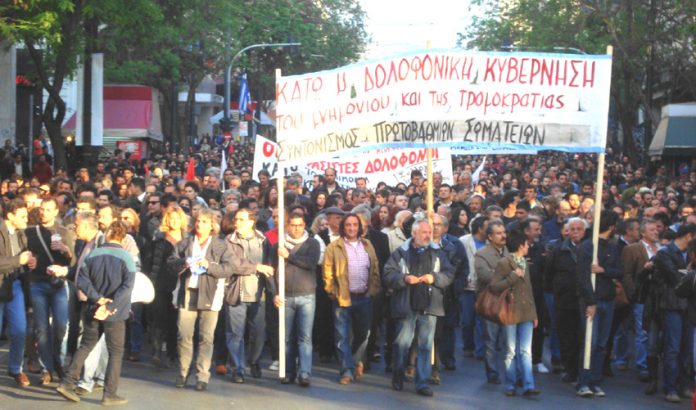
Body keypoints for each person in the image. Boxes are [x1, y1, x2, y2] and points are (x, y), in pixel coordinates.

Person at [56, 220, 135, 406]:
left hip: (92, 307)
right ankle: (109, 394)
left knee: (86, 345)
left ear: (107, 234)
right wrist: (110, 305)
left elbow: (81, 281)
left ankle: (67, 383)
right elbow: (127, 286)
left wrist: (98, 299)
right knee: (116, 352)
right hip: (115, 313)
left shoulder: (92, 254)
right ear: (123, 238)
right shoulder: (127, 258)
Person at [384, 218, 454, 397]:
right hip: (406, 305)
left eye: (429, 232)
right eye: (424, 232)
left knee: (425, 346)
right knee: (402, 343)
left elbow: (449, 273)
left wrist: (435, 278)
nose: (428, 235)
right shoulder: (401, 252)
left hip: (429, 305)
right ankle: (398, 376)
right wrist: (404, 279)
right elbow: (388, 273)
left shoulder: (438, 253)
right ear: (414, 233)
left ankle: (422, 382)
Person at [169, 208, 234, 391]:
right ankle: (182, 372)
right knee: (184, 335)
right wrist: (184, 262)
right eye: (198, 221)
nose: (200, 224)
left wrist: (209, 266)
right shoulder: (184, 243)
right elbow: (171, 264)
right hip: (188, 292)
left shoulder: (220, 245)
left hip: (210, 294)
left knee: (207, 337)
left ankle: (202, 375)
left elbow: (228, 269)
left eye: (204, 222)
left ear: (212, 225)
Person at [323, 213, 381, 385]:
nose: (351, 228)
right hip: (343, 298)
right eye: (348, 225)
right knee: (342, 336)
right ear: (343, 227)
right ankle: (346, 370)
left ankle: (356, 361)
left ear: (360, 227)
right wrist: (332, 292)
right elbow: (327, 273)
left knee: (364, 335)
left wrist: (373, 289)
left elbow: (375, 267)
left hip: (364, 297)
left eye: (355, 225)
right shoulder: (334, 247)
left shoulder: (367, 244)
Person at [25, 197, 75, 384]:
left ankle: (58, 362)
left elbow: (73, 261)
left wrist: (64, 249)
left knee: (62, 325)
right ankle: (47, 368)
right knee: (41, 328)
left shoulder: (63, 231)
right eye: (42, 209)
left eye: (48, 209)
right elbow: (24, 254)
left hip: (58, 284)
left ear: (56, 211)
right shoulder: (31, 231)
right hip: (37, 283)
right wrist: (30, 260)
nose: (44, 212)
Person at [224, 208, 275, 383]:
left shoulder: (263, 240)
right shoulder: (229, 241)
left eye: (241, 219)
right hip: (236, 292)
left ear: (251, 222)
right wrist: (257, 267)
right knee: (235, 333)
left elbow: (270, 264)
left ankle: (254, 361)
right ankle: (238, 368)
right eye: (236, 219)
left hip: (259, 293)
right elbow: (234, 265)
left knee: (258, 332)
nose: (236, 222)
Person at [273, 212, 321, 387]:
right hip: (286, 296)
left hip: (307, 296)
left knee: (305, 337)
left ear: (304, 225)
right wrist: (275, 293)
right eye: (293, 225)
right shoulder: (279, 245)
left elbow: (310, 263)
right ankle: (288, 371)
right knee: (286, 337)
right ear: (288, 226)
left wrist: (289, 256)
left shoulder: (312, 243)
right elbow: (273, 271)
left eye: (299, 225)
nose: (296, 228)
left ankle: (304, 373)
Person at [576, 212, 621, 398]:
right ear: (611, 227)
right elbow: (583, 277)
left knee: (602, 344)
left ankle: (595, 381)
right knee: (590, 344)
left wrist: (604, 270)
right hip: (592, 301)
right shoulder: (588, 247)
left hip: (608, 301)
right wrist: (590, 302)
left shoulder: (612, 247)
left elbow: (620, 270)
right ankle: (583, 382)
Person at [489, 229, 539, 397]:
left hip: (525, 312)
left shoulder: (525, 262)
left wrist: (534, 314)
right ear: (520, 245)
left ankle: (528, 385)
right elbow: (494, 286)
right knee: (511, 350)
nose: (528, 246)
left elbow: (529, 290)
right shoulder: (504, 263)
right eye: (526, 244)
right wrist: (512, 276)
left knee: (526, 350)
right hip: (510, 311)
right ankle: (510, 384)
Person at [650, 223, 696, 403]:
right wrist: (689, 274)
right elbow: (675, 278)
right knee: (673, 348)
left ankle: (683, 385)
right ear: (689, 236)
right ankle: (670, 387)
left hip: (689, 306)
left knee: (687, 349)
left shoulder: (689, 254)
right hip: (671, 305)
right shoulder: (665, 253)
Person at [0, 199, 37, 387]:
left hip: (15, 285)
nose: (26, 219)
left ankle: (15, 368)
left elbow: (24, 258)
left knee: (20, 330)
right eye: (22, 216)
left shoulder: (22, 233)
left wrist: (31, 262)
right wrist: (17, 261)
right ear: (10, 215)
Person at [149, 205, 187, 368]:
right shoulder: (159, 238)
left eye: (177, 218)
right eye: (171, 218)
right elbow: (152, 261)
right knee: (159, 318)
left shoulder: (188, 239)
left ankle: (173, 353)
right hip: (161, 282)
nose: (173, 221)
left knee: (175, 320)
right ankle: (157, 352)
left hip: (180, 282)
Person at [474, 220, 508, 384]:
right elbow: (486, 277)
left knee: (510, 341)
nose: (503, 236)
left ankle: (511, 372)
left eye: (504, 232)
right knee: (491, 340)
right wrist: (509, 275)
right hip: (491, 302)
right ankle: (492, 373)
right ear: (490, 236)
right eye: (498, 233)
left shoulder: (511, 251)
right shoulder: (482, 254)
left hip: (510, 302)